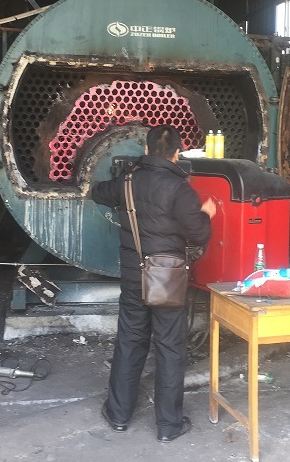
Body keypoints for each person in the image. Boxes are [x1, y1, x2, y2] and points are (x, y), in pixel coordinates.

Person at [92, 125, 216, 442]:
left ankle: (118, 415)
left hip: (133, 275)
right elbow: (199, 233)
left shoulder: (127, 182)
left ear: (146, 150)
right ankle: (169, 425)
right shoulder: (181, 189)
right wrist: (206, 213)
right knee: (170, 347)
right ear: (177, 153)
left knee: (130, 340)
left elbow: (97, 192)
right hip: (167, 278)